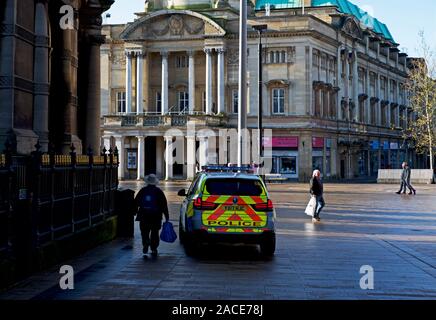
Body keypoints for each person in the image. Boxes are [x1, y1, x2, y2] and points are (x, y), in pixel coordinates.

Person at [134, 174, 169, 256]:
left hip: (143, 215)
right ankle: (154, 248)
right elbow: (164, 204)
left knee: (144, 232)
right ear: (155, 183)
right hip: (156, 216)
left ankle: (145, 242)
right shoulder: (159, 192)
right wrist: (166, 216)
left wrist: (135, 212)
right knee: (155, 232)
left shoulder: (143, 190)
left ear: (147, 182)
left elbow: (136, 202)